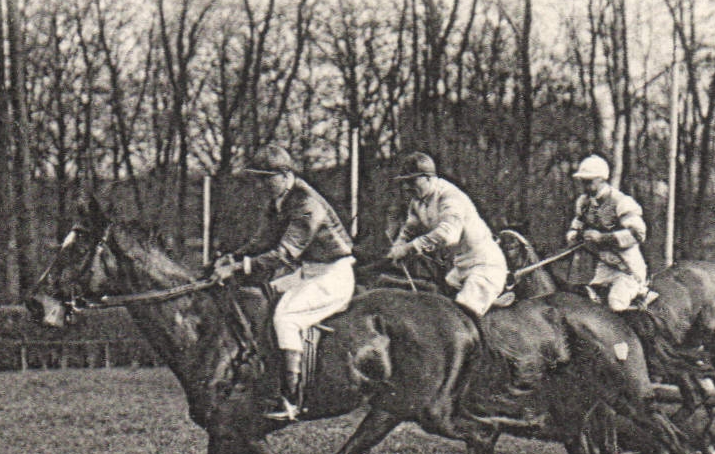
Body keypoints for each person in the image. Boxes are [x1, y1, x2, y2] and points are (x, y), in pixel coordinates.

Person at [213, 143, 357, 421]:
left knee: (285, 319)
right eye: (259, 179)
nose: (261, 186)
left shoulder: (306, 204)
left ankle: (292, 399)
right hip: (310, 272)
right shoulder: (280, 201)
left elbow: (284, 254)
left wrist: (237, 268)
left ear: (285, 174)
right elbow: (262, 241)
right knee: (260, 299)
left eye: (267, 179)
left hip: (333, 275)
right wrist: (232, 257)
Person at [386, 152, 508, 319]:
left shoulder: (450, 196)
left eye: (411, 181)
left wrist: (409, 248)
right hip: (459, 270)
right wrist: (398, 245)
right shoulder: (417, 202)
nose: (406, 187)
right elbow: (409, 229)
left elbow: (448, 234)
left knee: (459, 318)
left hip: (486, 267)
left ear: (428, 178)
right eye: (404, 182)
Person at [566, 154, 651, 311]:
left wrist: (602, 238)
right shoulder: (584, 203)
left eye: (589, 181)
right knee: (592, 306)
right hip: (605, 266)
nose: (585, 185)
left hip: (628, 268)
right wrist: (576, 235)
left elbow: (638, 234)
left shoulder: (621, 202)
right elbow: (576, 227)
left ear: (601, 179)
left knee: (615, 304)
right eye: (583, 181)